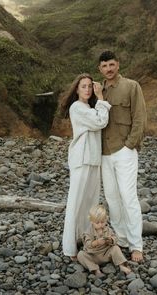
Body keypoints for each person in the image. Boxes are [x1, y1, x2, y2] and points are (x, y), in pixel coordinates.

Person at [98, 50, 147, 262]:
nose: (108, 69)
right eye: (104, 66)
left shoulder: (131, 86)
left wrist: (130, 145)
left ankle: (136, 245)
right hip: (104, 153)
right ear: (100, 69)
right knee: (112, 199)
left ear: (118, 64)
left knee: (129, 198)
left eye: (111, 64)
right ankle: (121, 239)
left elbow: (140, 117)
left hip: (124, 151)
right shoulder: (98, 90)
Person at [60, 73, 111, 261]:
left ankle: (85, 240)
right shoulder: (77, 107)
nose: (88, 89)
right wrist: (102, 100)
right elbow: (100, 122)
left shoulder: (89, 107)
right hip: (81, 159)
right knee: (76, 202)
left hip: (93, 159)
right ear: (77, 89)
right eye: (84, 86)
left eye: (90, 86)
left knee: (90, 203)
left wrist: (98, 104)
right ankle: (70, 247)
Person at [77, 205, 131, 277]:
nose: (100, 225)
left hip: (106, 253)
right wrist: (96, 242)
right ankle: (96, 270)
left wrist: (111, 240)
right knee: (80, 255)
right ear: (91, 221)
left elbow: (115, 238)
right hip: (93, 255)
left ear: (106, 219)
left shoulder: (108, 229)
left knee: (115, 248)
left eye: (102, 222)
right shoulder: (88, 232)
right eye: (97, 223)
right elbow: (87, 244)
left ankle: (122, 266)